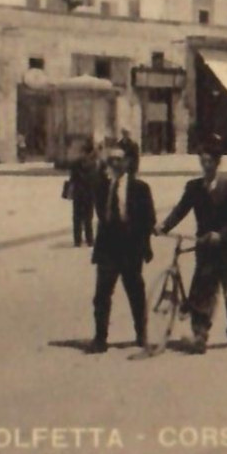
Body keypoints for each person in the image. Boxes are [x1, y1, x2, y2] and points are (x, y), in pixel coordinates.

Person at [158, 135, 227, 353]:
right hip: (205, 248)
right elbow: (181, 209)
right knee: (201, 291)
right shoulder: (194, 187)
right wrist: (164, 226)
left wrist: (221, 233)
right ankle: (200, 335)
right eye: (202, 161)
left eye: (209, 161)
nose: (205, 166)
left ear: (217, 162)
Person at [87, 148, 157, 353]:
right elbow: (101, 212)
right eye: (111, 160)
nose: (115, 164)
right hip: (108, 247)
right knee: (101, 294)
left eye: (119, 159)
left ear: (127, 162)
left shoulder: (140, 188)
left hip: (130, 248)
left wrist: (142, 244)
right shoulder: (102, 186)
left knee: (135, 293)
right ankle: (100, 338)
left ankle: (141, 334)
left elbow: (149, 218)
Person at [68, 138, 99, 248]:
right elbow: (96, 180)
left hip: (78, 193)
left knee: (77, 217)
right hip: (89, 193)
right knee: (88, 217)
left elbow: (72, 178)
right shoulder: (94, 165)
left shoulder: (75, 163)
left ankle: (77, 241)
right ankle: (90, 240)